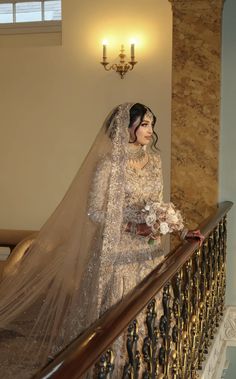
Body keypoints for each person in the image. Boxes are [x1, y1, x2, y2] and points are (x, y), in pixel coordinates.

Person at [0, 102, 203, 378]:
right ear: (126, 127)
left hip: (146, 253)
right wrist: (132, 224)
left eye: (151, 124)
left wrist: (181, 231)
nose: (150, 130)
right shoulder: (108, 164)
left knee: (145, 308)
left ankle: (143, 364)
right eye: (144, 124)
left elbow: (158, 205)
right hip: (116, 253)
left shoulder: (154, 162)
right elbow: (94, 210)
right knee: (116, 314)